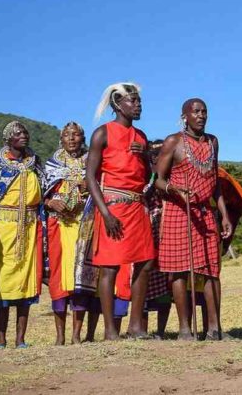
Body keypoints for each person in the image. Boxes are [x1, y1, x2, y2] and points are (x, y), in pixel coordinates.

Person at [156, 99, 233, 340]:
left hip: (206, 212)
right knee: (179, 271)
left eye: (204, 111)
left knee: (211, 271)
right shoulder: (173, 142)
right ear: (184, 116)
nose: (201, 116)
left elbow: (216, 182)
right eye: (196, 112)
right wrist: (175, 190)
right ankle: (184, 329)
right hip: (179, 211)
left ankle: (214, 328)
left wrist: (224, 215)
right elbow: (157, 179)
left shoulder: (213, 142)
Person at [86, 82, 155, 340]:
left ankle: (135, 326)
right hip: (112, 207)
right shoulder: (102, 133)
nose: (138, 105)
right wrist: (104, 213)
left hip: (138, 207)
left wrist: (146, 154)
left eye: (139, 101)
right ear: (117, 104)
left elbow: (147, 176)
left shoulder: (142, 137)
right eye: (133, 101)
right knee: (110, 268)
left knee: (146, 262)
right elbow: (91, 177)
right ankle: (110, 331)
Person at [0, 121, 45, 348]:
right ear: (8, 139)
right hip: (4, 227)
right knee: (3, 280)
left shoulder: (35, 164)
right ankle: (1, 338)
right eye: (18, 133)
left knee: (26, 281)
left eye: (25, 133)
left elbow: (44, 193)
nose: (23, 136)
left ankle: (20, 338)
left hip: (30, 228)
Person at [43, 122, 91, 345]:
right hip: (59, 226)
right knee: (59, 278)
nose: (72, 138)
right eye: (67, 135)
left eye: (76, 135)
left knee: (80, 276)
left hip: (85, 223)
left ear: (83, 137)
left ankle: (76, 335)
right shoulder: (52, 163)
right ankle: (60, 335)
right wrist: (52, 202)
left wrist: (88, 185)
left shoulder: (91, 161)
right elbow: (42, 196)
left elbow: (100, 186)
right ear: (61, 139)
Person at [142, 139, 172, 338]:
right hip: (148, 230)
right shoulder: (146, 175)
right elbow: (145, 193)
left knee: (166, 283)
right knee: (144, 280)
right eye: (154, 155)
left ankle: (160, 331)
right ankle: (142, 329)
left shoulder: (170, 176)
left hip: (167, 231)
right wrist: (153, 176)